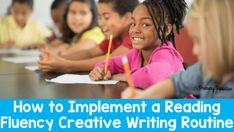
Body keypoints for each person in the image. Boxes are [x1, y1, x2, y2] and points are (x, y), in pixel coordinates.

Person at [121, 0, 234, 98]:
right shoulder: (206, 69)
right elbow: (176, 84)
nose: (194, 50)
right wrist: (143, 96)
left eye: (200, 42)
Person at [89, 0, 187, 89]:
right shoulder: (136, 54)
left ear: (166, 30)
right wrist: (101, 69)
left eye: (145, 24)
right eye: (133, 23)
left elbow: (152, 77)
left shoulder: (167, 54)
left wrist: (126, 76)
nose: (135, 30)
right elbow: (112, 62)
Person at [38, 0, 138, 73]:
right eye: (99, 17)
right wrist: (57, 59)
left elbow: (111, 59)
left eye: (106, 17)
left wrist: (66, 65)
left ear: (127, 18)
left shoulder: (134, 36)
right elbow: (89, 52)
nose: (101, 23)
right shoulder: (114, 37)